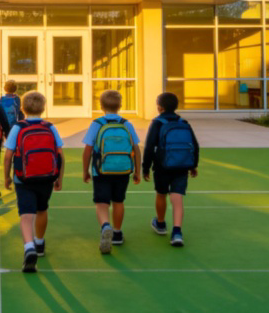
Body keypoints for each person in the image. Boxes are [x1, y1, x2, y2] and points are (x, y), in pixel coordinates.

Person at [3, 90, 64, 273]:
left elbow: (8, 156)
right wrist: (59, 177)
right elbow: (60, 154)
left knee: (26, 214)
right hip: (46, 176)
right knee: (42, 209)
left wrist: (6, 176)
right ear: (44, 108)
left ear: (23, 108)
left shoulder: (18, 127)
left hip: (23, 177)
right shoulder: (50, 127)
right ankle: (39, 243)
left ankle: (28, 246)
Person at [81, 89, 141, 254]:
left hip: (101, 170)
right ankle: (117, 232)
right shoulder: (126, 124)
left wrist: (85, 170)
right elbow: (136, 148)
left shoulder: (97, 124)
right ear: (120, 105)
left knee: (102, 203)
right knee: (118, 201)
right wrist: (137, 170)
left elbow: (87, 150)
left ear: (101, 106)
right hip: (123, 169)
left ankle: (105, 226)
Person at [142, 91, 199, 247]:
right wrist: (193, 165)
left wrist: (145, 167)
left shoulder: (157, 123)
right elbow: (194, 145)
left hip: (162, 166)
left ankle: (160, 224)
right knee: (177, 197)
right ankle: (177, 232)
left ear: (159, 107)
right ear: (176, 106)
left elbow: (149, 147)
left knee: (161, 194)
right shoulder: (184, 123)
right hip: (182, 165)